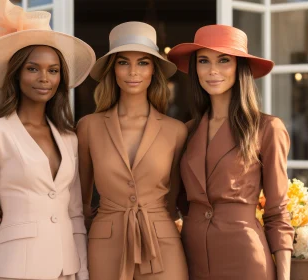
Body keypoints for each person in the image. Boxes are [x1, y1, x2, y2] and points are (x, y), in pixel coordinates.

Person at [0, 1, 95, 279]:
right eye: (33, 68)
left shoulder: (69, 137)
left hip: (66, 269)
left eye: (53, 70)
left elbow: (74, 216)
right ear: (17, 73)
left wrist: (81, 271)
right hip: (13, 270)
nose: (44, 78)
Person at [168, 25, 294, 280]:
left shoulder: (267, 128)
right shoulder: (186, 131)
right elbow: (178, 200)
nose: (213, 70)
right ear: (195, 70)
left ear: (240, 68)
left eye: (224, 60)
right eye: (204, 61)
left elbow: (277, 211)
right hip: (192, 257)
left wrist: (284, 276)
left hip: (245, 257)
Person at [77, 21, 189, 280]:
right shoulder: (88, 127)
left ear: (153, 70)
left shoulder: (176, 131)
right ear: (113, 70)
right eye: (123, 62)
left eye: (143, 62)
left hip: (161, 240)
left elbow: (174, 198)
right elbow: (81, 200)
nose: (133, 72)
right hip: (105, 241)